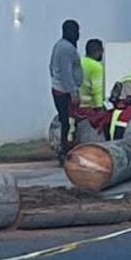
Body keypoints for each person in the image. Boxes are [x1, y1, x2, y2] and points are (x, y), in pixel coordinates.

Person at [49, 19, 83, 162]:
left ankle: (65, 149)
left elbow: (51, 67)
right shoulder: (66, 48)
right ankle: (64, 151)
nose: (78, 35)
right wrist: (73, 93)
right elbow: (66, 73)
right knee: (67, 123)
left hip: (60, 89)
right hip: (64, 92)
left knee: (66, 122)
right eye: (77, 31)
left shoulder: (59, 45)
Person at [78, 39, 109, 129]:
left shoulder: (79, 62)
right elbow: (97, 90)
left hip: (77, 105)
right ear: (97, 51)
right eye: (102, 51)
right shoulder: (96, 67)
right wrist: (100, 108)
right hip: (90, 106)